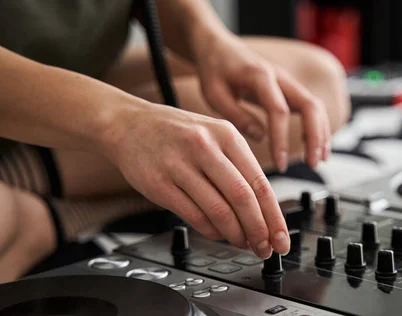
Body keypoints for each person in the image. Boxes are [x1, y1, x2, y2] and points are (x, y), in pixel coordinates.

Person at [0, 0, 350, 282]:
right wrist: (122, 123)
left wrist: (211, 41)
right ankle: (40, 212)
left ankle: (35, 201)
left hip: (82, 73)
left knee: (317, 82)